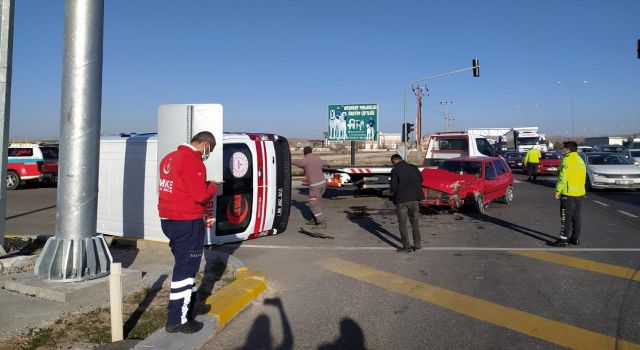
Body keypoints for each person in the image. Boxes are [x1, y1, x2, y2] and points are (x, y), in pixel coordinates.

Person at [157, 131, 219, 333]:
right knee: (185, 270)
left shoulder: (170, 157)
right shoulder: (193, 161)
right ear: (206, 145)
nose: (207, 154)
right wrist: (212, 186)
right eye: (210, 150)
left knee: (188, 266)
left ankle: (193, 305)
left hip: (169, 219)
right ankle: (178, 320)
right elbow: (200, 195)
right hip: (187, 221)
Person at [549, 141, 586, 247]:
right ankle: (575, 238)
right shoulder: (579, 159)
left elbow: (562, 177)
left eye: (563, 148)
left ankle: (563, 240)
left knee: (566, 217)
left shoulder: (567, 159)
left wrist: (557, 191)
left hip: (568, 193)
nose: (562, 150)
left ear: (568, 149)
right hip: (579, 192)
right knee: (577, 216)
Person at [390, 154, 423, 253]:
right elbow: (421, 180)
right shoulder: (414, 167)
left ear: (394, 161)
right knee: (415, 222)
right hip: (414, 199)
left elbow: (394, 187)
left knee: (403, 224)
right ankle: (417, 245)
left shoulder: (395, 170)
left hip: (401, 201)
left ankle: (407, 247)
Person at [293, 146, 328, 229]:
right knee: (317, 202)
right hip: (323, 184)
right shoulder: (317, 158)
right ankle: (314, 219)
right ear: (311, 151)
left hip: (315, 185)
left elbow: (298, 162)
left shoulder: (306, 159)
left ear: (304, 152)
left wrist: (288, 160)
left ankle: (321, 222)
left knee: (312, 204)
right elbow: (326, 164)